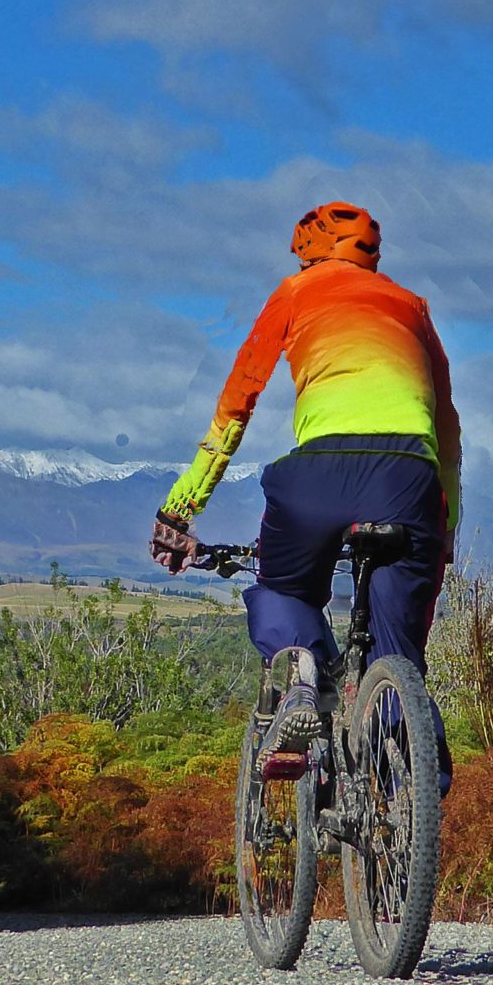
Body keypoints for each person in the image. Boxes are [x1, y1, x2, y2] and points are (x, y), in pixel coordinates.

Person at [149, 201, 460, 752]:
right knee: (399, 655)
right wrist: (446, 528)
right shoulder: (412, 306)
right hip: (410, 483)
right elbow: (448, 429)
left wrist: (181, 506)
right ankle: (410, 801)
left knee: (281, 589)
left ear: (307, 252)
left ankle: (300, 679)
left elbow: (238, 400)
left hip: (318, 476)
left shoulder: (295, 293)